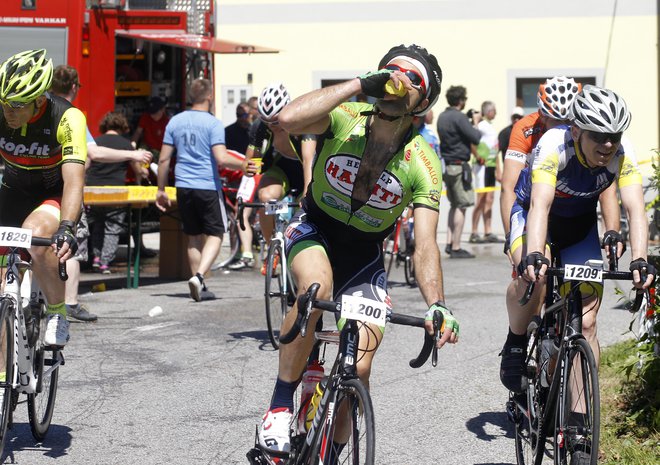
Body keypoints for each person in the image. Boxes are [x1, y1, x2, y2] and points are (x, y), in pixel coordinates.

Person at [256, 44, 459, 457]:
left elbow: (424, 247)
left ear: (425, 101)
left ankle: (330, 451)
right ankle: (278, 406)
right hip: (315, 229)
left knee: (360, 366)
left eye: (413, 78)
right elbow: (288, 119)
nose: (399, 80)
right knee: (317, 287)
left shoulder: (423, 163)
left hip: (364, 256)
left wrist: (437, 304)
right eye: (391, 70)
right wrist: (359, 85)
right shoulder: (346, 116)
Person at [498, 85, 655, 444]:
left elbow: (635, 208)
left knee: (586, 322)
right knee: (534, 277)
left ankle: (580, 419)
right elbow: (540, 205)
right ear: (576, 131)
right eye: (599, 136)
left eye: (613, 137)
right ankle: (516, 341)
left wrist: (640, 259)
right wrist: (535, 254)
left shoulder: (622, 153)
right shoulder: (554, 144)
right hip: (536, 218)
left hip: (579, 227)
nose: (607, 145)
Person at [50, 64, 152, 322]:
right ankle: (69, 303)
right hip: (66, 191)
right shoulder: (70, 115)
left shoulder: (40, 110)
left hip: (35, 188)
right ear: (74, 87)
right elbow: (93, 153)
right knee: (69, 245)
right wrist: (133, 153)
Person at [0, 49, 87, 346]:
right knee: (1, 293)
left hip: (53, 196)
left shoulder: (67, 117)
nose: (8, 112)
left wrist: (67, 227)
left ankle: (58, 311)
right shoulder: (2, 113)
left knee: (34, 236)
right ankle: (2, 386)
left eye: (16, 105)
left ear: (39, 99)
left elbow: (74, 181)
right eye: (4, 104)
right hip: (12, 194)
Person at [155, 78, 257, 302]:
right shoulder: (213, 124)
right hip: (207, 186)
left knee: (192, 236)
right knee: (216, 233)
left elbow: (163, 160)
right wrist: (242, 165)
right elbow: (221, 158)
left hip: (183, 185)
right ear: (210, 97)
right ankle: (200, 276)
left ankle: (198, 283)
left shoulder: (175, 122)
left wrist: (160, 189)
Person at [231, 83, 316, 274]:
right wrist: (248, 166)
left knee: (308, 206)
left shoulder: (302, 124)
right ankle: (272, 247)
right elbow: (248, 162)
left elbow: (309, 161)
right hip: (282, 168)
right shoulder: (260, 128)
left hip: (306, 169)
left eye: (277, 122)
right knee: (266, 198)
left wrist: (306, 195)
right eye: (268, 121)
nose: (273, 126)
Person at [87, 112, 144, 274]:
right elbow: (137, 169)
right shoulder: (126, 144)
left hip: (94, 191)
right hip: (115, 192)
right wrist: (143, 175)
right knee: (112, 227)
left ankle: (96, 258)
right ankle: (105, 262)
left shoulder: (95, 142)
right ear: (122, 126)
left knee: (98, 224)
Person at [436, 85, 482, 258]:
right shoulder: (459, 117)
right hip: (459, 165)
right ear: (461, 100)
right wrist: (475, 123)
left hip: (447, 165)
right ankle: (456, 246)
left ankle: (449, 242)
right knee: (462, 205)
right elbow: (476, 138)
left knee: (454, 205)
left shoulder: (442, 117)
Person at [470, 100, 502, 244]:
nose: (495, 112)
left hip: (490, 166)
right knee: (481, 199)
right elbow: (472, 140)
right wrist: (477, 156)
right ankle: (474, 231)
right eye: (494, 110)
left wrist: (498, 169)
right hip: (481, 166)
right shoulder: (481, 125)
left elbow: (495, 150)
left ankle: (487, 231)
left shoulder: (490, 126)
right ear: (489, 111)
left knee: (490, 199)